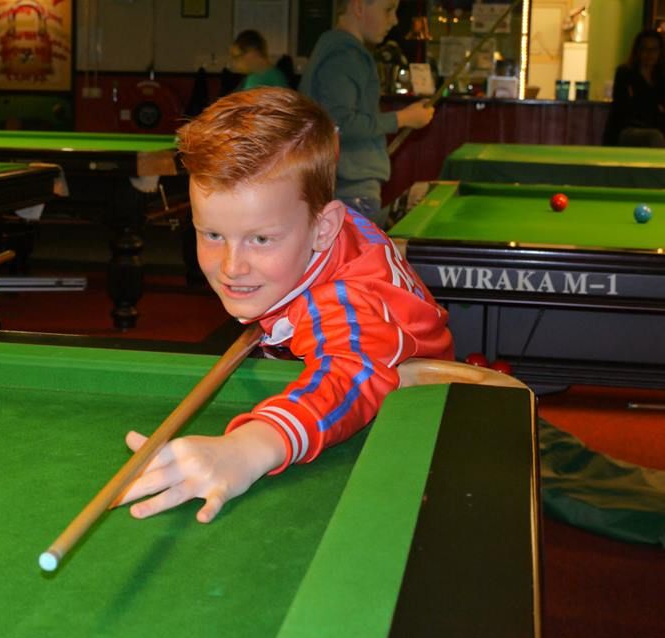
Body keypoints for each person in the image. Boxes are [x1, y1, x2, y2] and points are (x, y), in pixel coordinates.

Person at [116, 87, 453, 523]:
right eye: (213, 234)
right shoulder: (313, 224)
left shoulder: (344, 301)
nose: (232, 267)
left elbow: (350, 372)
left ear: (323, 228)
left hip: (423, 418)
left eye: (260, 238)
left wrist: (249, 447)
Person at [298, 0, 434, 227]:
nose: (394, 20)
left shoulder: (337, 49)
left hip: (344, 187)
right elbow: (339, 124)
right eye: (388, 10)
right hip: (350, 191)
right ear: (359, 7)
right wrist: (404, 118)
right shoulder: (344, 55)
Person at [603, 29, 665, 148]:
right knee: (654, 138)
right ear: (637, 51)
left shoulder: (660, 77)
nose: (649, 54)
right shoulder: (626, 73)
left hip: (657, 127)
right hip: (629, 129)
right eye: (645, 49)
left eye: (654, 49)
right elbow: (624, 108)